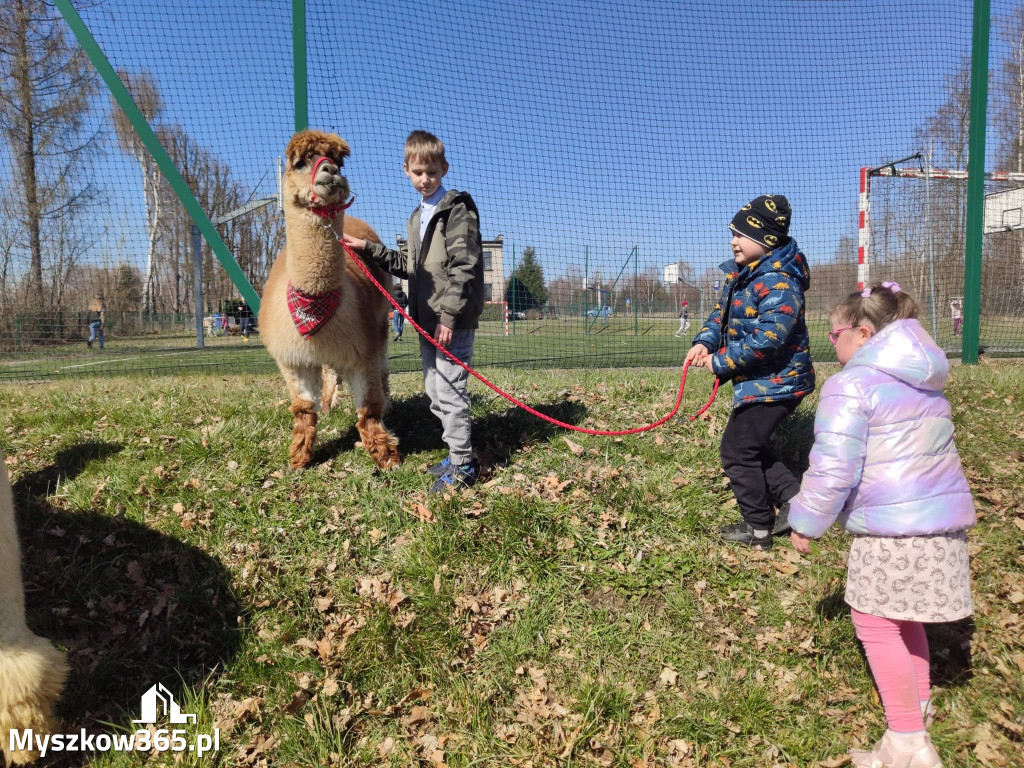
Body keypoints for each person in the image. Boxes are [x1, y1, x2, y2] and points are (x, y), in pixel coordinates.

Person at [788, 282, 974, 768]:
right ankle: (919, 708)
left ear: (863, 332)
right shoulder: (923, 380)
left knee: (872, 620)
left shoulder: (851, 385)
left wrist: (806, 521)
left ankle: (907, 744)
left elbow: (833, 465)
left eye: (834, 334)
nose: (831, 343)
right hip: (940, 522)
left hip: (894, 527)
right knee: (901, 614)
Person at [343, 130, 484, 493]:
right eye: (418, 172)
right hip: (425, 321)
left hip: (449, 322)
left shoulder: (456, 210)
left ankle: (464, 464)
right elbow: (409, 265)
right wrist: (368, 248)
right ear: (405, 170)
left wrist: (450, 317)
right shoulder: (416, 217)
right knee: (434, 392)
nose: (425, 179)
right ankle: (454, 455)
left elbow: (464, 267)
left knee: (451, 392)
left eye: (432, 173)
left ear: (444, 169)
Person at [685, 195, 814, 549]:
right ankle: (795, 500)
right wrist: (705, 343)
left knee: (736, 451)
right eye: (732, 232)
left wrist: (721, 361)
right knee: (752, 446)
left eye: (741, 234)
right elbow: (720, 317)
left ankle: (758, 529)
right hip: (761, 382)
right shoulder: (742, 275)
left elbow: (768, 339)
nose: (733, 240)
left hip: (779, 384)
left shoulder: (779, 281)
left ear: (768, 239)